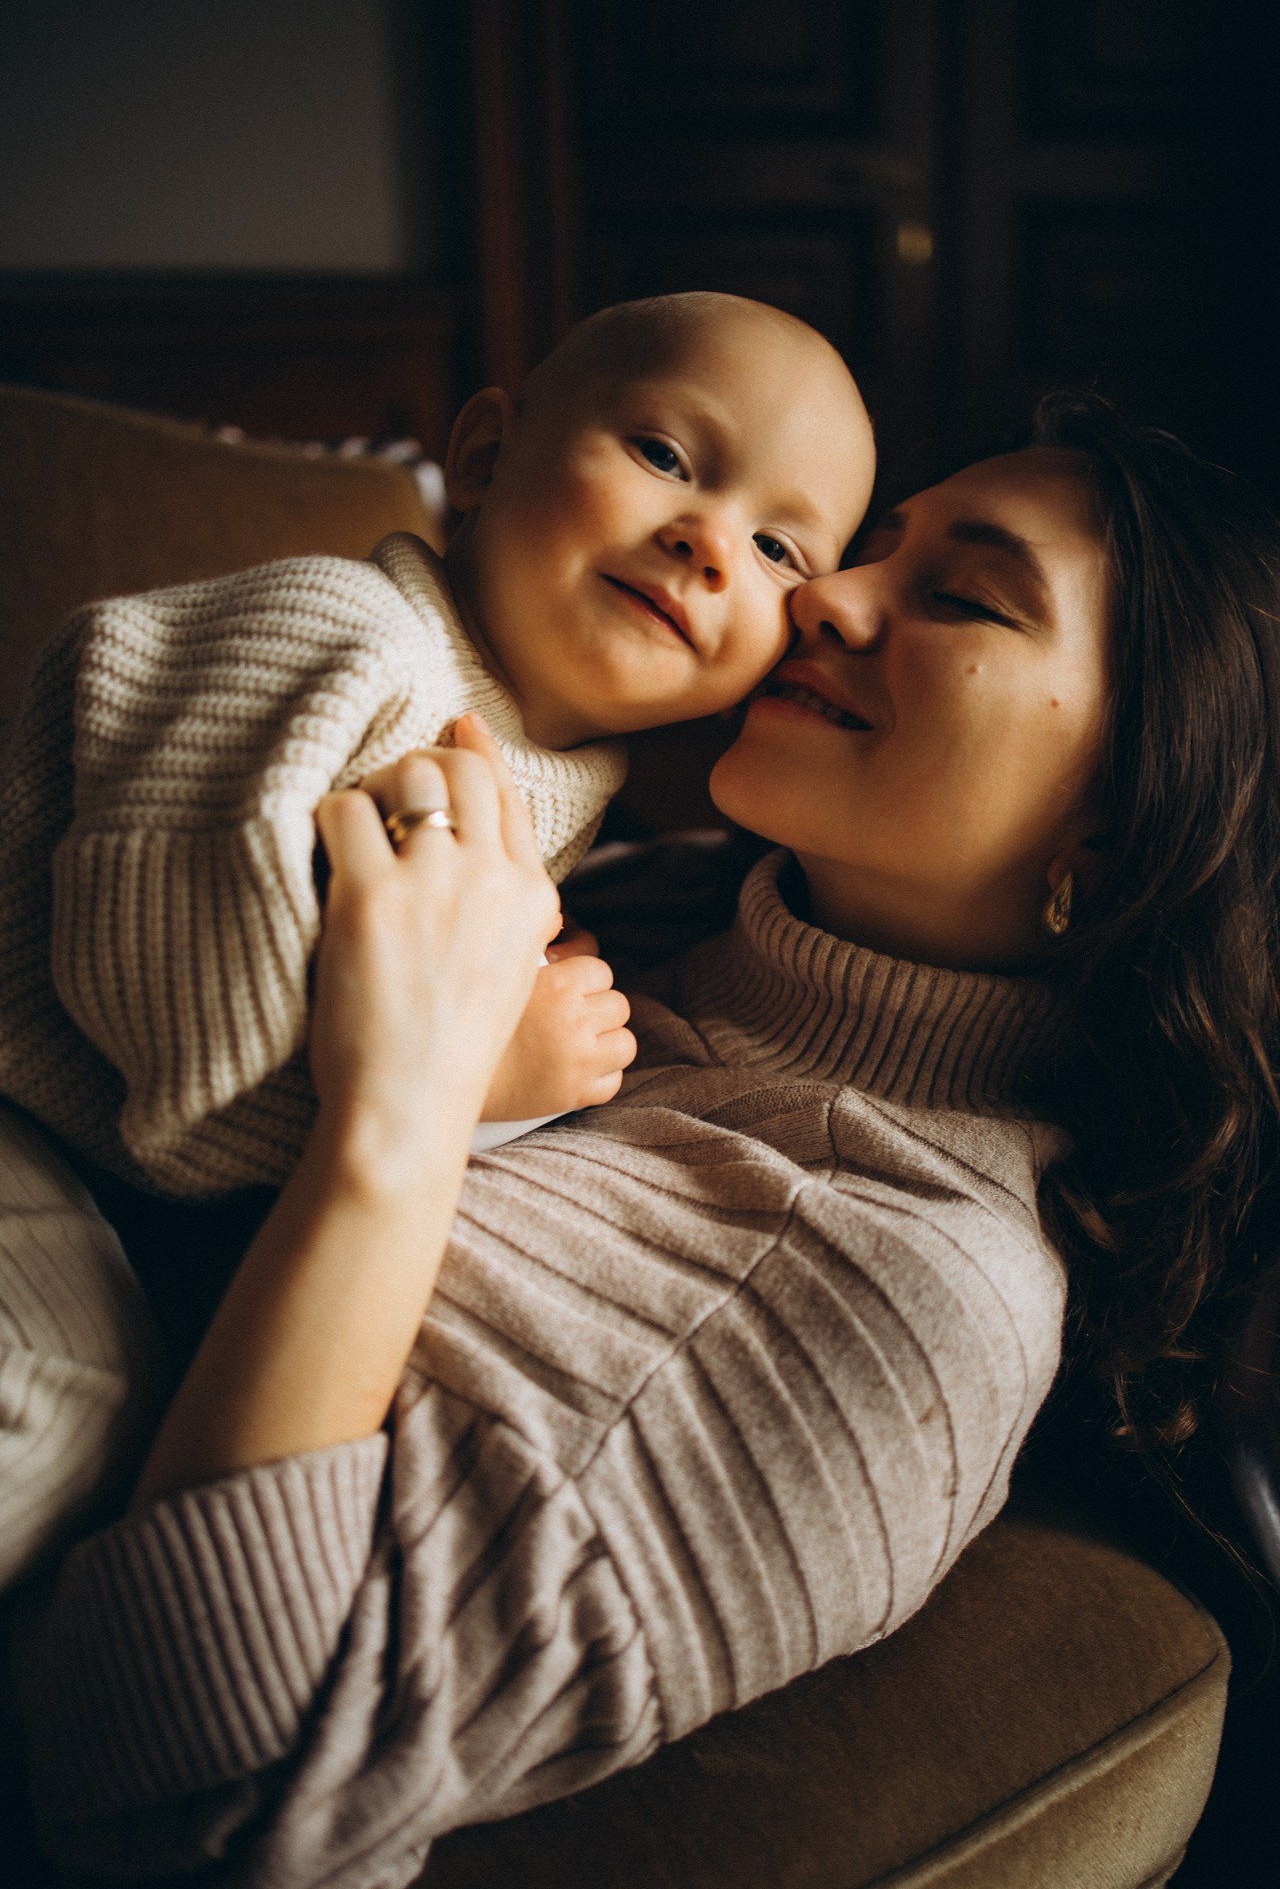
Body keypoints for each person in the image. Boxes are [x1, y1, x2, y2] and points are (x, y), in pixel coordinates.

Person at [16, 395, 1280, 1889]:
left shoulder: (907, 1291)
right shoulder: (668, 897)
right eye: (871, 548)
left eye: (963, 597)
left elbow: (183, 1793)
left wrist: (397, 1113)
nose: (824, 595)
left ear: (1123, 834)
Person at [0, 291, 874, 1202]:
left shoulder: (559, 769)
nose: (713, 548)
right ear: (487, 456)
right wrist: (473, 1081)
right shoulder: (343, 644)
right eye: (664, 455)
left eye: (778, 548)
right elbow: (180, 1087)